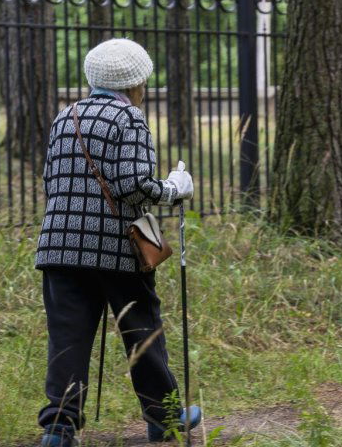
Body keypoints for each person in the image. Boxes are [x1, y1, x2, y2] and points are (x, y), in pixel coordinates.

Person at [34, 38, 200, 447]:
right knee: (142, 329)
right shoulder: (130, 119)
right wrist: (174, 189)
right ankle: (163, 419)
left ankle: (59, 428)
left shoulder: (64, 116)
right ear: (136, 81)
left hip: (58, 247)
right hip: (116, 249)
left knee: (68, 336)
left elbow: (51, 181)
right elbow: (134, 187)